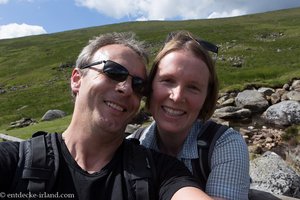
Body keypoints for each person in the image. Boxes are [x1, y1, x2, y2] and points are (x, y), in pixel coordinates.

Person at [0, 32, 213, 200]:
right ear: (76, 79)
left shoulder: (162, 171)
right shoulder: (15, 161)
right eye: (113, 72)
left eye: (138, 85)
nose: (126, 88)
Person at [128, 30, 250, 200]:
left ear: (206, 97)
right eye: (168, 80)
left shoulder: (224, 145)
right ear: (150, 86)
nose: (177, 97)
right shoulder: (132, 145)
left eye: (193, 87)